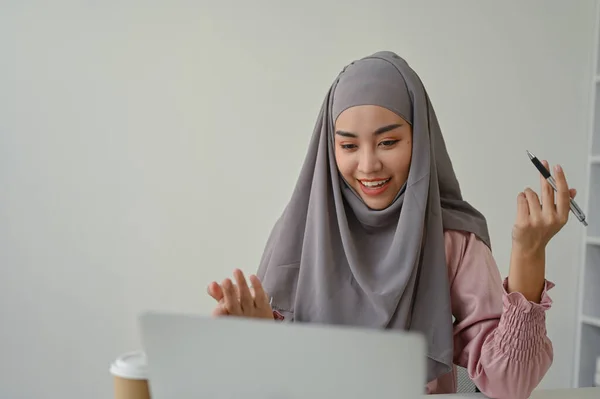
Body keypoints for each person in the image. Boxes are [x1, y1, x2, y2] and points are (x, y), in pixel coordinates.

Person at [206, 51, 577, 398]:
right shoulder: (299, 234)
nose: (368, 166)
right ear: (328, 147)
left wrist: (529, 254)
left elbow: (510, 384)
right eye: (349, 146)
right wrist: (258, 339)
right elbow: (277, 380)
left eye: (388, 141)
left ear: (421, 139)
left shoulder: (451, 239)